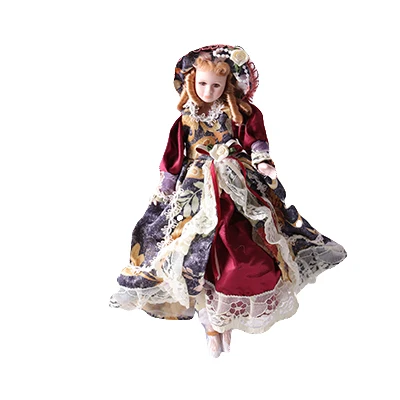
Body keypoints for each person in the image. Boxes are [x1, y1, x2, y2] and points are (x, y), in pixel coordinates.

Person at [109, 44, 347, 358]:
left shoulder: (238, 113)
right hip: (196, 190)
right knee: (193, 254)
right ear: (191, 82)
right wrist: (167, 183)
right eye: (202, 84)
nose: (208, 91)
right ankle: (210, 325)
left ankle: (227, 317)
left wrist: (262, 162)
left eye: (216, 85)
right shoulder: (187, 119)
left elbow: (255, 140)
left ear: (228, 85)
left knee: (242, 247)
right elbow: (174, 156)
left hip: (236, 185)